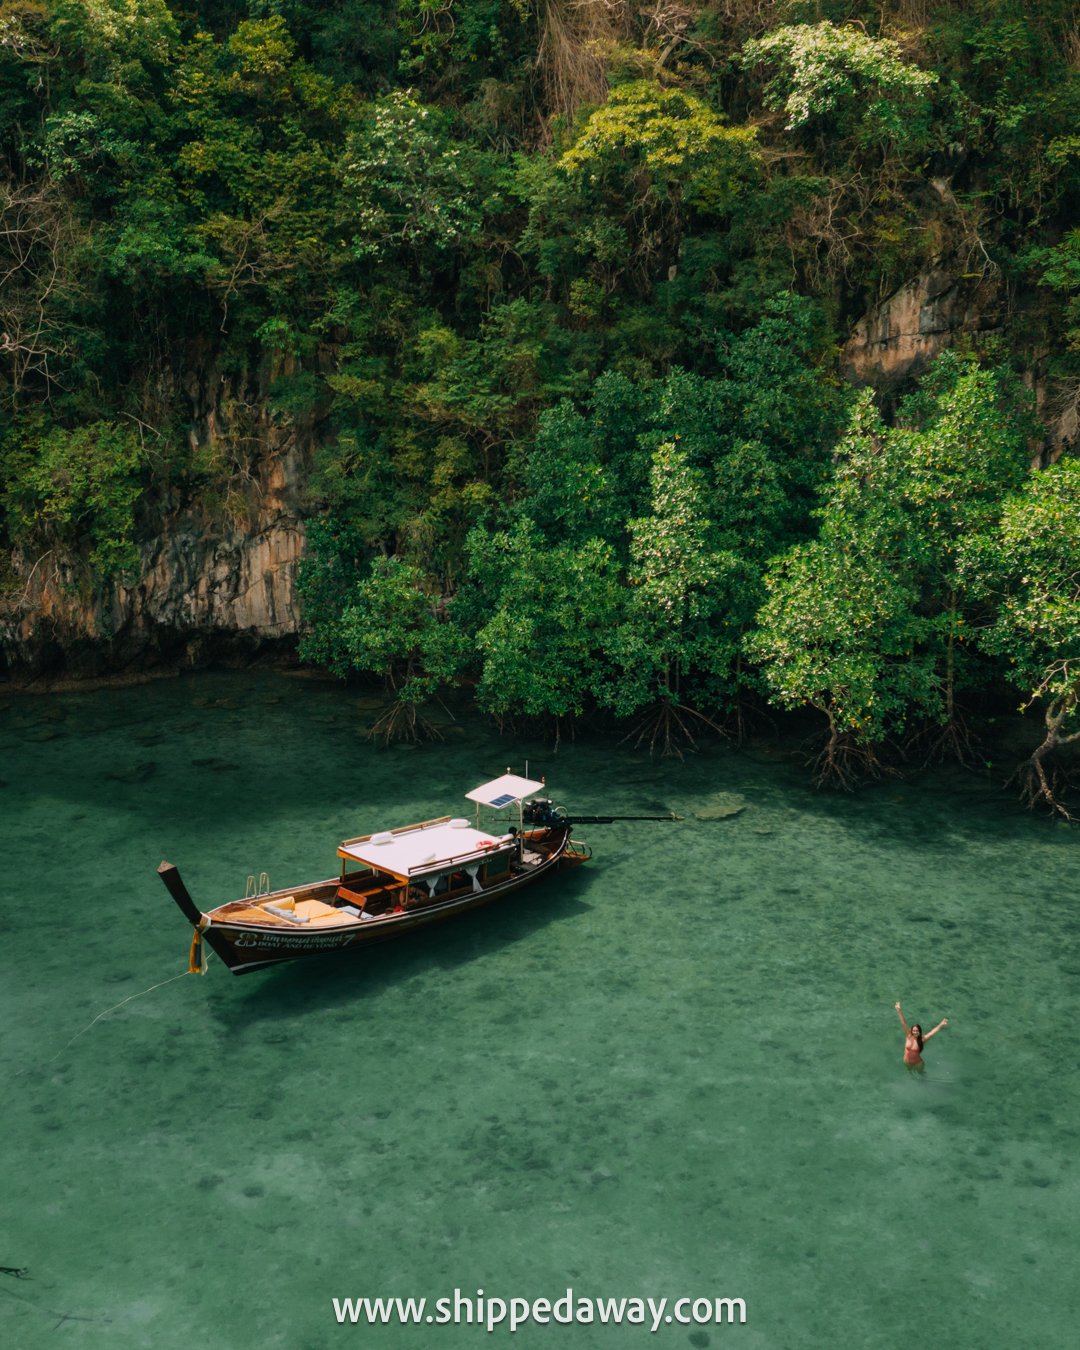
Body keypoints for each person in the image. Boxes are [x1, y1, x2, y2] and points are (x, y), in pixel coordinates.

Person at [895, 1001, 947, 1070]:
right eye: (914, 1030)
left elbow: (932, 1033)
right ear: (911, 1031)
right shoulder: (908, 1036)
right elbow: (903, 1023)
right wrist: (899, 1010)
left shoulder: (922, 1040)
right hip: (907, 1061)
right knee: (909, 1074)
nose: (915, 1032)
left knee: (921, 1077)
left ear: (919, 1032)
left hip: (917, 1063)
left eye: (917, 1031)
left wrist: (941, 1025)